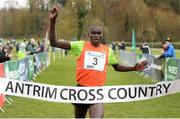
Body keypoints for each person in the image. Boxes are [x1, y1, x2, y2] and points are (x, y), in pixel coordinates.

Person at [49, 4, 148, 118]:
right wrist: (53, 21)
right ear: (89, 35)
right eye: (93, 33)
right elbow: (54, 43)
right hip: (81, 90)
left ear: (102, 35)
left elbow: (117, 67)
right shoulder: (80, 46)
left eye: (98, 33)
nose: (96, 35)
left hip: (97, 92)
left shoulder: (108, 51)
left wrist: (133, 68)